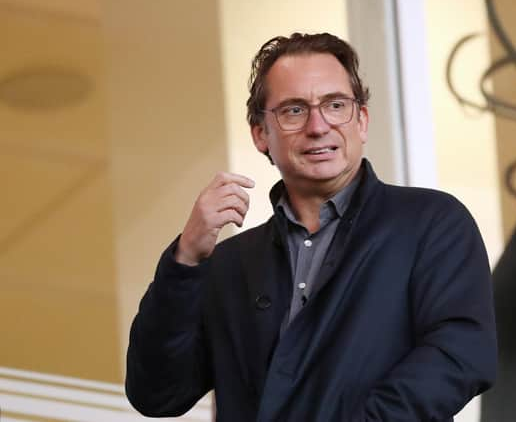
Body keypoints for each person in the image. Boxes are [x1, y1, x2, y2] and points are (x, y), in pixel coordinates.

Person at [125, 32, 497, 422]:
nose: (318, 126)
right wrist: (186, 260)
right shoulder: (231, 264)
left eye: (336, 105)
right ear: (259, 134)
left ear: (362, 120)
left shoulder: (430, 223)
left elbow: (461, 352)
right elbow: (156, 393)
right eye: (294, 110)